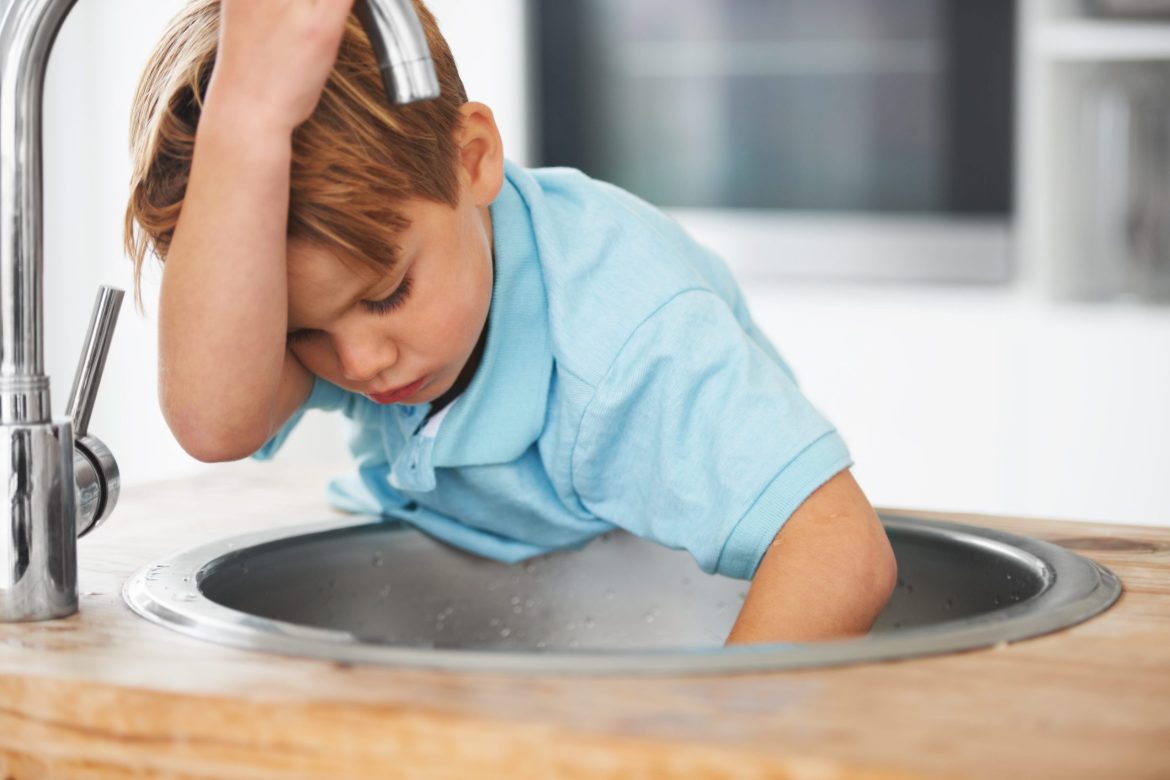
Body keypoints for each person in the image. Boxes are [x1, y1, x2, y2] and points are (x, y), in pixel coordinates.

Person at [124, 0, 897, 645]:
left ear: (473, 160)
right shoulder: (372, 309)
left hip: (676, 626)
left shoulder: (626, 334)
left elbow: (842, 552)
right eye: (300, 335)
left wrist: (708, 746)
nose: (359, 362)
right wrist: (245, 120)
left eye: (388, 294)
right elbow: (214, 421)